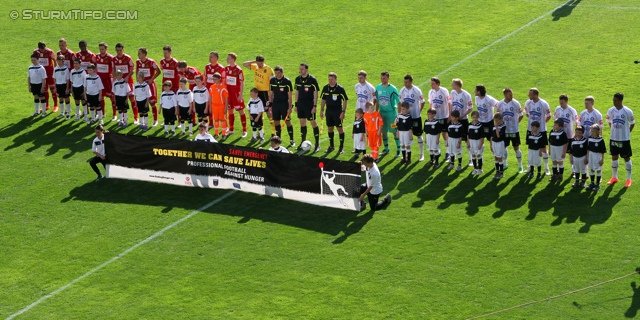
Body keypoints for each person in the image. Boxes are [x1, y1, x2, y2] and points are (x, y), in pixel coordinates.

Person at [606, 92, 635, 187]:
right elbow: (609, 122)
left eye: (615, 100)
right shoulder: (611, 111)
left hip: (624, 139)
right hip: (613, 139)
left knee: (626, 158)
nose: (613, 102)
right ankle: (614, 177)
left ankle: (628, 179)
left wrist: (627, 133)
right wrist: (613, 130)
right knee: (614, 157)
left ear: (620, 100)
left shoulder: (628, 111)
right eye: (613, 100)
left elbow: (632, 123)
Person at [243, 55, 275, 135]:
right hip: (257, 93)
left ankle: (274, 133)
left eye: (261, 64)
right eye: (258, 64)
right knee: (258, 112)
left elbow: (273, 82)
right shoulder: (255, 66)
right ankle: (261, 132)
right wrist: (255, 62)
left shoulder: (268, 69)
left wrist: (271, 95)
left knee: (269, 113)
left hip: (265, 93)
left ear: (263, 62)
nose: (259, 65)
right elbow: (244, 64)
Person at [320, 72, 349, 154]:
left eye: (332, 79)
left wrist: (343, 112)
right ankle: (331, 146)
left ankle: (341, 147)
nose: (330, 81)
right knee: (330, 128)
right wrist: (321, 110)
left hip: (337, 111)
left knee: (339, 128)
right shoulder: (326, 88)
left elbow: (345, 100)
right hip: (329, 111)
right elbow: (323, 99)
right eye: (329, 79)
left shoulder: (340, 89)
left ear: (336, 79)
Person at [374, 71, 401, 158]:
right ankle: (386, 149)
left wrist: (399, 115)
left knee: (394, 131)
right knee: (383, 131)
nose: (382, 80)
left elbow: (399, 102)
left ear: (388, 78)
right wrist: (376, 112)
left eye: (384, 78)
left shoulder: (393, 89)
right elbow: (377, 101)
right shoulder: (378, 87)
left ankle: (399, 149)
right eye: (381, 78)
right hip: (382, 114)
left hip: (391, 114)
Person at [525, 88, 551, 175]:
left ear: (535, 95)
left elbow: (549, 115)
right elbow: (527, 113)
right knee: (530, 146)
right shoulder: (528, 103)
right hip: (530, 129)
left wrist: (541, 124)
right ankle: (530, 165)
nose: (529, 95)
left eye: (530, 94)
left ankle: (546, 167)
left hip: (542, 130)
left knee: (543, 148)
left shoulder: (543, 103)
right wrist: (532, 126)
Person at [294, 63, 321, 151]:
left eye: (302, 69)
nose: (300, 70)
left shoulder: (312, 80)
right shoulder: (297, 79)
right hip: (301, 104)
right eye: (300, 69)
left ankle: (317, 144)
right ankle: (303, 143)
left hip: (309, 104)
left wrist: (314, 106)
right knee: (302, 123)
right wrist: (296, 104)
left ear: (306, 70)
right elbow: (297, 92)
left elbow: (316, 93)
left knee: (313, 123)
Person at [497, 88, 524, 172]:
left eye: (512, 94)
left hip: (514, 130)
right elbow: (498, 116)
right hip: (504, 130)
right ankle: (505, 163)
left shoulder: (516, 103)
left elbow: (521, 115)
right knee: (504, 147)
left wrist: (516, 123)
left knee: (516, 147)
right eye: (510, 95)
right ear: (505, 95)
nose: (512, 96)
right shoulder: (500, 104)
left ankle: (520, 165)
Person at [400, 74, 426, 161]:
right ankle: (406, 154)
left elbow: (423, 101)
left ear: (411, 82)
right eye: (404, 82)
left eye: (407, 82)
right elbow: (400, 103)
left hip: (415, 117)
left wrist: (419, 110)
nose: (405, 83)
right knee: (406, 135)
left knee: (418, 134)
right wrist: (400, 113)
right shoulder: (402, 91)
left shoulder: (417, 90)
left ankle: (421, 154)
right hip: (405, 117)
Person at [450, 78, 474, 166]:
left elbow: (471, 108)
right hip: (454, 119)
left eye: (452, 84)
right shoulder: (452, 93)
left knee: (466, 139)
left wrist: (462, 116)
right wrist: (451, 116)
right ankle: (452, 157)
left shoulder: (466, 95)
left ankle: (470, 159)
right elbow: (450, 104)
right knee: (452, 137)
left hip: (463, 120)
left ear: (456, 85)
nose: (451, 86)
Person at [268, 66, 294, 145]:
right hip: (276, 104)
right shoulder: (272, 80)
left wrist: (289, 107)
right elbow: (271, 94)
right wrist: (270, 105)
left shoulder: (287, 81)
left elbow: (290, 96)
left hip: (284, 104)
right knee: (276, 122)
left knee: (288, 122)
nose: (277, 74)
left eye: (279, 73)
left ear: (282, 72)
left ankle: (291, 139)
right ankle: (278, 139)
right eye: (276, 73)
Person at [113, 43, 139, 123]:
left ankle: (136, 117)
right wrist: (114, 79)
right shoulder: (114, 59)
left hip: (128, 82)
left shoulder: (128, 58)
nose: (119, 52)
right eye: (117, 50)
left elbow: (133, 69)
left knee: (131, 99)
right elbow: (113, 69)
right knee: (120, 99)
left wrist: (127, 76)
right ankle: (122, 118)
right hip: (119, 82)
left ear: (123, 50)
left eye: (120, 50)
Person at [136, 47, 161, 126]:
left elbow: (159, 71)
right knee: (141, 102)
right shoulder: (138, 62)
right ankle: (142, 122)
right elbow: (137, 70)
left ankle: (155, 120)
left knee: (152, 102)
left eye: (139, 53)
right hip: (141, 85)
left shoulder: (151, 62)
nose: (138, 54)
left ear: (144, 54)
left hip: (150, 85)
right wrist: (138, 79)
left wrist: (152, 79)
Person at [224, 52, 248, 138]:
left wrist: (240, 94)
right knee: (230, 111)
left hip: (236, 94)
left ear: (233, 59)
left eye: (228, 58)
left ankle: (244, 130)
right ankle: (231, 129)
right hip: (228, 94)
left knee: (241, 111)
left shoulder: (238, 70)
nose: (227, 59)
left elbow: (242, 83)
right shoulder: (226, 69)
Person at [428, 77, 450, 161]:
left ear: (437, 84)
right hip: (435, 117)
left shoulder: (444, 91)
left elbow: (449, 103)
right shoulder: (431, 92)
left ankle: (448, 152)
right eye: (431, 83)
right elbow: (430, 103)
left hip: (443, 116)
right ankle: (438, 152)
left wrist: (449, 115)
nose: (431, 85)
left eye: (433, 83)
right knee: (435, 135)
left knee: (444, 134)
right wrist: (430, 115)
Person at [33, 41, 57, 112]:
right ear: (39, 48)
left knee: (53, 89)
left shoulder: (50, 52)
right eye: (41, 49)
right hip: (41, 74)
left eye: (43, 48)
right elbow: (34, 60)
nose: (43, 50)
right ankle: (47, 105)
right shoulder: (35, 52)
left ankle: (55, 105)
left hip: (50, 73)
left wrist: (55, 70)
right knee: (44, 89)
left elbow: (54, 60)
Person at [204, 51, 226, 125]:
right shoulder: (207, 67)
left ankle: (222, 123)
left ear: (216, 58)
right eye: (209, 57)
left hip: (217, 91)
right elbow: (205, 77)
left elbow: (223, 80)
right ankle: (211, 123)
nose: (209, 58)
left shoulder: (221, 68)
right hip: (209, 90)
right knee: (210, 105)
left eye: (211, 57)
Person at [95, 42, 115, 120]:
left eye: (102, 49)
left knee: (112, 97)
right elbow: (95, 66)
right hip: (99, 80)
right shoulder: (97, 56)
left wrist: (112, 75)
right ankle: (102, 113)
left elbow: (114, 67)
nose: (101, 50)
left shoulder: (110, 58)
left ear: (106, 49)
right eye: (100, 49)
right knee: (100, 97)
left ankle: (114, 114)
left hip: (107, 80)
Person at [586, 124, 606, 191]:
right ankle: (592, 183)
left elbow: (603, 151)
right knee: (591, 169)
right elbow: (588, 149)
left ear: (597, 131)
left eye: (593, 131)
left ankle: (597, 184)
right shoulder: (589, 138)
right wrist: (587, 157)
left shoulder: (600, 140)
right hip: (591, 155)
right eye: (591, 131)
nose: (592, 132)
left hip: (597, 155)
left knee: (598, 169)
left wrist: (602, 159)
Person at [209, 73, 230, 138]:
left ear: (219, 79)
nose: (214, 80)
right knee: (216, 120)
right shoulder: (212, 87)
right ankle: (216, 133)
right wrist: (210, 107)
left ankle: (224, 134)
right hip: (214, 106)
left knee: (223, 120)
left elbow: (226, 99)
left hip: (221, 106)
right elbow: (210, 97)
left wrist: (225, 108)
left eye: (215, 79)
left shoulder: (223, 88)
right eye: (213, 79)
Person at [53, 55, 71, 119]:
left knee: (66, 98)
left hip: (64, 85)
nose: (59, 62)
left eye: (60, 61)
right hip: (58, 85)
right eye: (58, 61)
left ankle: (68, 113)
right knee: (60, 98)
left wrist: (67, 88)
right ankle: (62, 113)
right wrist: (55, 87)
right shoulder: (55, 68)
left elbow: (67, 79)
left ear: (63, 61)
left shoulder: (66, 69)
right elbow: (54, 78)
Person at [468, 111, 484, 175]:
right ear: (471, 117)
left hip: (478, 142)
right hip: (471, 142)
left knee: (478, 155)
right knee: (473, 155)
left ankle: (480, 169)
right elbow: (468, 135)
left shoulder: (480, 125)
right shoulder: (469, 125)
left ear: (478, 117)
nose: (474, 119)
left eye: (476, 117)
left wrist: (481, 144)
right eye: (473, 117)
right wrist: (468, 143)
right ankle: (475, 169)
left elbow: (482, 136)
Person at [491, 113, 507, 179]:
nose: (496, 122)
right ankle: (497, 172)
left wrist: (497, 127)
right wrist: (491, 145)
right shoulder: (494, 126)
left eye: (497, 120)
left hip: (500, 143)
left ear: (501, 120)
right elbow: (492, 136)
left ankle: (501, 173)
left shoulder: (503, 127)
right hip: (494, 143)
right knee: (495, 157)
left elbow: (498, 135)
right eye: (495, 120)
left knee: (499, 157)